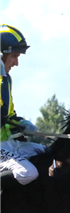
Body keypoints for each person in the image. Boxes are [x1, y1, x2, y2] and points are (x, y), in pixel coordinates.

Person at [0, 24, 45, 190]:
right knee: (28, 173)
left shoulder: (6, 79)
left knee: (46, 152)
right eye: (14, 56)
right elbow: (1, 112)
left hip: (6, 144)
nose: (16, 63)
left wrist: (22, 124)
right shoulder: (3, 80)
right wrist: (2, 79)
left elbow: (8, 115)